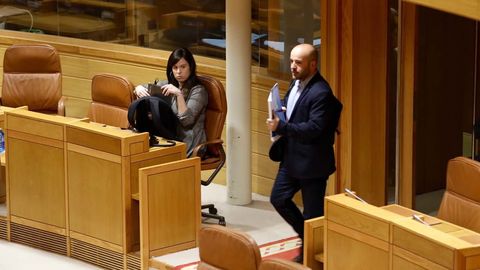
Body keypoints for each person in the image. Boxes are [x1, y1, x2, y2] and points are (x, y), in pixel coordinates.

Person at [266, 43, 341, 263]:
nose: (293, 67)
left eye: (298, 63)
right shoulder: (295, 82)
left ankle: (313, 257)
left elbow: (314, 129)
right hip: (292, 158)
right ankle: (305, 238)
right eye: (291, 61)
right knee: (278, 199)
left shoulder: (321, 92)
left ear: (313, 64)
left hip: (313, 164)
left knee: (313, 215)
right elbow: (295, 113)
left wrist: (281, 127)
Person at [134, 47, 208, 157]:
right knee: (138, 153)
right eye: (175, 67)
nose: (179, 72)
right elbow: (144, 87)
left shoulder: (198, 90)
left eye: (183, 67)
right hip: (170, 140)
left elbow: (186, 121)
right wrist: (138, 88)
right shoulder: (169, 85)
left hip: (190, 144)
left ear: (191, 67)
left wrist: (179, 94)